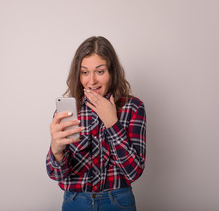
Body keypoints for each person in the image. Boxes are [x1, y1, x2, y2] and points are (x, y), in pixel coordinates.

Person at [46, 36, 146, 211]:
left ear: (112, 72)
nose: (91, 81)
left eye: (100, 72)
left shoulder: (133, 107)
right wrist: (56, 150)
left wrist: (112, 123)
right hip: (75, 201)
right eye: (85, 72)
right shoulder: (68, 111)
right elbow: (57, 175)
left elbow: (133, 171)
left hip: (117, 202)